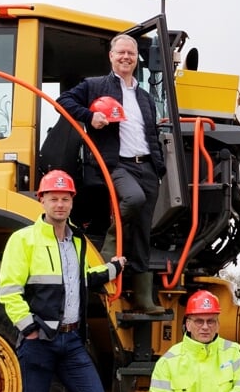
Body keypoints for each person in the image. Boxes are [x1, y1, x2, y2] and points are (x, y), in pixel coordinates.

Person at [0, 169, 126, 392]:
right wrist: (29, 327)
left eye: (65, 198)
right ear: (41, 200)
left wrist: (111, 270)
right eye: (53, 197)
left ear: (72, 202)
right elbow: (9, 290)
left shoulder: (79, 242)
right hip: (39, 341)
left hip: (71, 342)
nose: (59, 203)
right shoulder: (23, 240)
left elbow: (78, 280)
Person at [59, 33, 168, 316]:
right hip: (118, 164)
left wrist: (159, 167)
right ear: (111, 56)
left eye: (130, 53)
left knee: (144, 231)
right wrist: (89, 116)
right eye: (120, 52)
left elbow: (151, 133)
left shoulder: (144, 97)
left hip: (147, 167)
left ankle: (144, 297)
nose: (125, 57)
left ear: (136, 59)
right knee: (132, 200)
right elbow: (63, 101)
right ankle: (108, 249)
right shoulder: (96, 86)